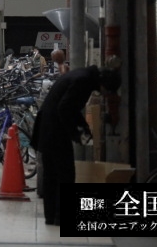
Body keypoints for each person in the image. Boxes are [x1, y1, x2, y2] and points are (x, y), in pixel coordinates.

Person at [30, 63, 121, 225]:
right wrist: (76, 134)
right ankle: (61, 216)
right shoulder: (83, 81)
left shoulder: (81, 75)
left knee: (51, 175)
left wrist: (83, 128)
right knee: (66, 174)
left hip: (47, 125)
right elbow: (65, 108)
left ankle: (51, 217)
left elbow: (70, 108)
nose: (105, 95)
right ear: (103, 83)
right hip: (56, 130)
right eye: (107, 91)